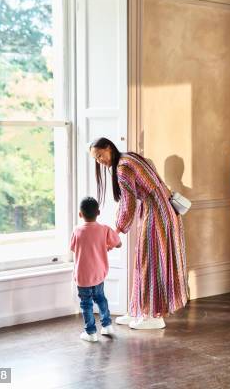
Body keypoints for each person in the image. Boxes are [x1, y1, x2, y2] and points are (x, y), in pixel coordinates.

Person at [89, 138, 188, 330]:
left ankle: (154, 315)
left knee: (150, 261)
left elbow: (128, 204)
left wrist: (116, 231)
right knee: (146, 259)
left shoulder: (123, 168)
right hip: (163, 209)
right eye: (96, 158)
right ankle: (139, 309)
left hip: (157, 211)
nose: (99, 161)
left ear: (108, 148)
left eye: (100, 155)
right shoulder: (128, 157)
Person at [70, 196, 122, 342]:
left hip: (83, 276)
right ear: (98, 212)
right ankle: (107, 325)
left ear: (80, 214)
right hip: (98, 273)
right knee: (100, 298)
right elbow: (118, 243)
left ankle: (91, 332)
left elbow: (74, 248)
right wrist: (107, 246)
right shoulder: (104, 229)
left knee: (86, 303)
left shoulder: (77, 231)